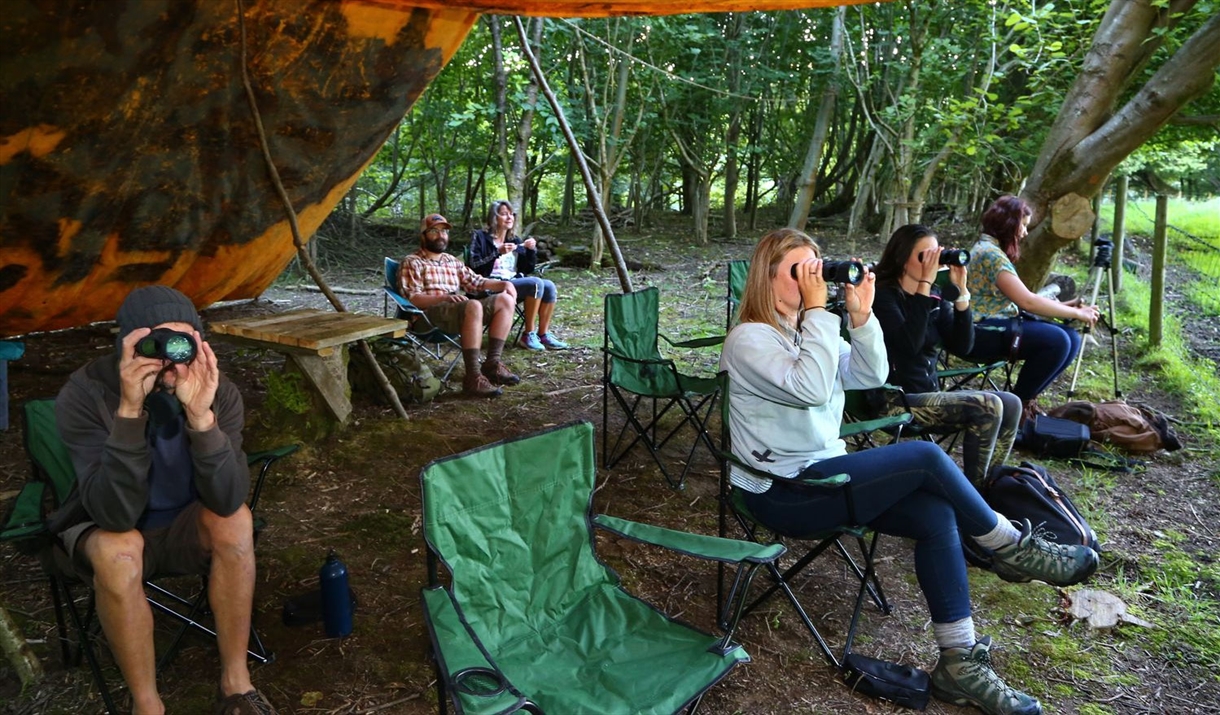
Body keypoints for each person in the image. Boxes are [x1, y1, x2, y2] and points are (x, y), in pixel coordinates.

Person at [719, 228, 1098, 715]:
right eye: (799, 272)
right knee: (924, 456)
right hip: (780, 491)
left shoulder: (807, 329)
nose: (813, 281)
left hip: (825, 476)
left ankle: (959, 664)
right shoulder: (748, 338)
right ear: (765, 280)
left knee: (935, 513)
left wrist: (859, 318)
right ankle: (1006, 545)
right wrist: (818, 313)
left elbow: (869, 376)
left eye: (817, 269)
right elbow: (811, 389)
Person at [50, 285, 276, 715]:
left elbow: (227, 499)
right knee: (120, 550)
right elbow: (113, 515)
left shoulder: (216, 390)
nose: (170, 359)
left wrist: (202, 419)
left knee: (236, 522)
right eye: (155, 344)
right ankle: (147, 704)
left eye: (182, 343)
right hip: (106, 525)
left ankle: (236, 685)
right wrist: (130, 413)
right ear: (128, 346)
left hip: (184, 524)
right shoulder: (85, 392)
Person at [872, 224, 1021, 483]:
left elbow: (963, 346)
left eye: (935, 255)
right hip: (893, 401)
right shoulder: (883, 297)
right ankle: (976, 499)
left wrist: (961, 294)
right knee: (987, 406)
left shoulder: (934, 296)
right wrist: (924, 287)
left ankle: (990, 486)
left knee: (1011, 403)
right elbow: (909, 345)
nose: (931, 262)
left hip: (928, 395)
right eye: (923, 256)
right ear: (902, 259)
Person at [965, 195, 1099, 419]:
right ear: (1009, 225)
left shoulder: (990, 250)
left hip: (995, 323)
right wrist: (1076, 312)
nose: (1025, 233)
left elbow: (1016, 300)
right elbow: (1026, 301)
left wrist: (1066, 306)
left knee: (1071, 338)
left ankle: (1025, 403)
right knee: (1056, 341)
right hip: (981, 332)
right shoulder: (990, 255)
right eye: (1023, 226)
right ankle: (1015, 409)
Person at [400, 213, 520, 398]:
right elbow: (413, 298)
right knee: (472, 305)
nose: (441, 235)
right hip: (427, 318)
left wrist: (504, 284)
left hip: (459, 313)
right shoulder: (412, 261)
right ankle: (472, 377)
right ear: (423, 235)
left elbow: (476, 282)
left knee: (505, 299)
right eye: (434, 231)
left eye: (444, 231)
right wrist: (444, 298)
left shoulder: (452, 261)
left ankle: (492, 365)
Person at [467, 199, 568, 350]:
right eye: (504, 214)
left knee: (549, 286)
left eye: (511, 214)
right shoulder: (480, 237)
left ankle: (543, 334)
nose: (509, 218)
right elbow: (474, 267)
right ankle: (528, 334)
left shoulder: (514, 240)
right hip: (488, 286)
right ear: (494, 218)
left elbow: (527, 268)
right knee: (535, 283)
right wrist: (497, 252)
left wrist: (530, 251)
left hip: (512, 284)